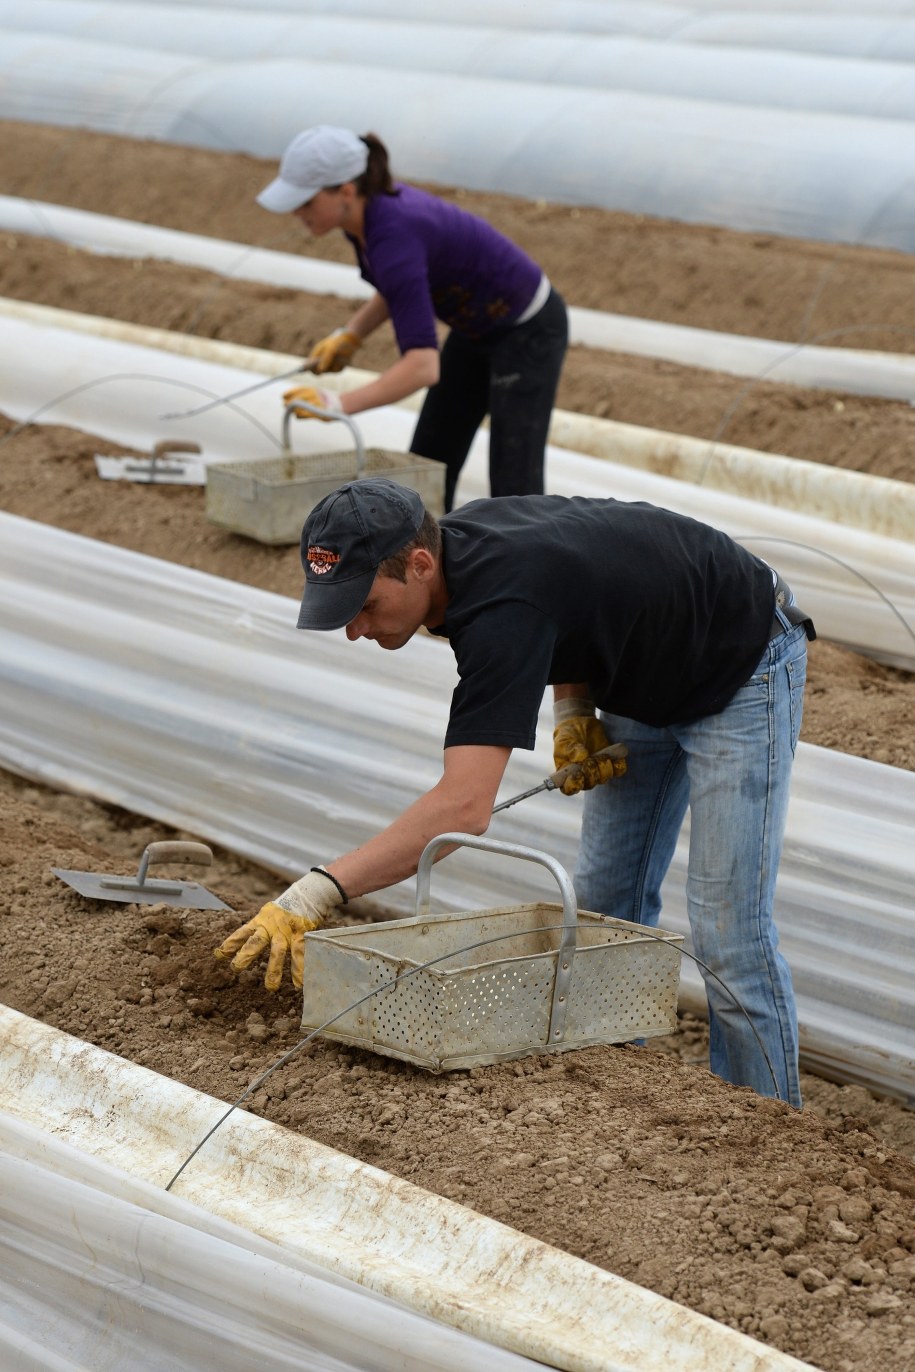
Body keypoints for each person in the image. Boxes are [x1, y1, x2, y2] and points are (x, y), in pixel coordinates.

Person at [215, 479, 815, 1108]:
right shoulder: (462, 558)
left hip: (740, 659)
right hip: (650, 666)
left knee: (728, 932)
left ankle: (768, 1131)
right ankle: (620, 1102)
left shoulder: (500, 607)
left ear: (420, 564)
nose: (354, 629)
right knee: (606, 908)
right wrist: (576, 704)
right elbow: (578, 592)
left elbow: (464, 808)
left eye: (363, 605)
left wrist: (318, 889)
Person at [255, 125, 568, 512]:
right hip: (475, 327)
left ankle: (531, 568)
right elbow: (398, 285)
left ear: (346, 191)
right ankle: (436, 565)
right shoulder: (366, 222)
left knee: (513, 487)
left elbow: (422, 367)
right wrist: (351, 334)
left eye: (305, 202)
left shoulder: (393, 234)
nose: (297, 213)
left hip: (526, 329)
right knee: (429, 462)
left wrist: (336, 403)